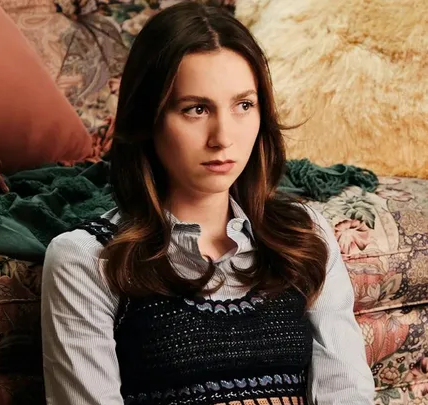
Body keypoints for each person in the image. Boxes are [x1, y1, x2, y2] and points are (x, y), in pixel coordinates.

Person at [41, 2, 375, 404]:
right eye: (196, 109)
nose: (223, 136)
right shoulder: (88, 259)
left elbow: (347, 391)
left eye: (243, 106)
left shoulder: (304, 234)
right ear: (149, 118)